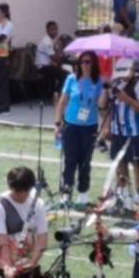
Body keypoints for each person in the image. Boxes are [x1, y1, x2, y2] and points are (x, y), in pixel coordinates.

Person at [99, 60, 139, 210]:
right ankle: (122, 193)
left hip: (135, 130)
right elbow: (103, 106)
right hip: (117, 130)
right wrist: (105, 89)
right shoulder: (115, 82)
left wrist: (127, 99)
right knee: (119, 162)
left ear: (132, 70)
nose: (122, 78)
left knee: (137, 162)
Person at [54, 51, 102, 207]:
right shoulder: (71, 78)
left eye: (89, 62)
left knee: (85, 162)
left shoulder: (99, 81)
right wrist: (57, 123)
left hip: (90, 127)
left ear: (94, 64)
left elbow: (102, 106)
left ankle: (83, 193)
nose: (85, 65)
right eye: (83, 62)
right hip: (71, 125)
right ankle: (66, 192)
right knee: (70, 160)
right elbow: (62, 102)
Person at [34, 21, 63, 103]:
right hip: (42, 67)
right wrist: (59, 48)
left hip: (47, 65)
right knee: (65, 74)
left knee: (57, 71)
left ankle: (50, 95)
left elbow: (56, 57)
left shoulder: (50, 40)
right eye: (53, 29)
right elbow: (56, 58)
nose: (55, 31)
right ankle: (57, 94)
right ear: (47, 30)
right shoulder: (47, 42)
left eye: (56, 29)